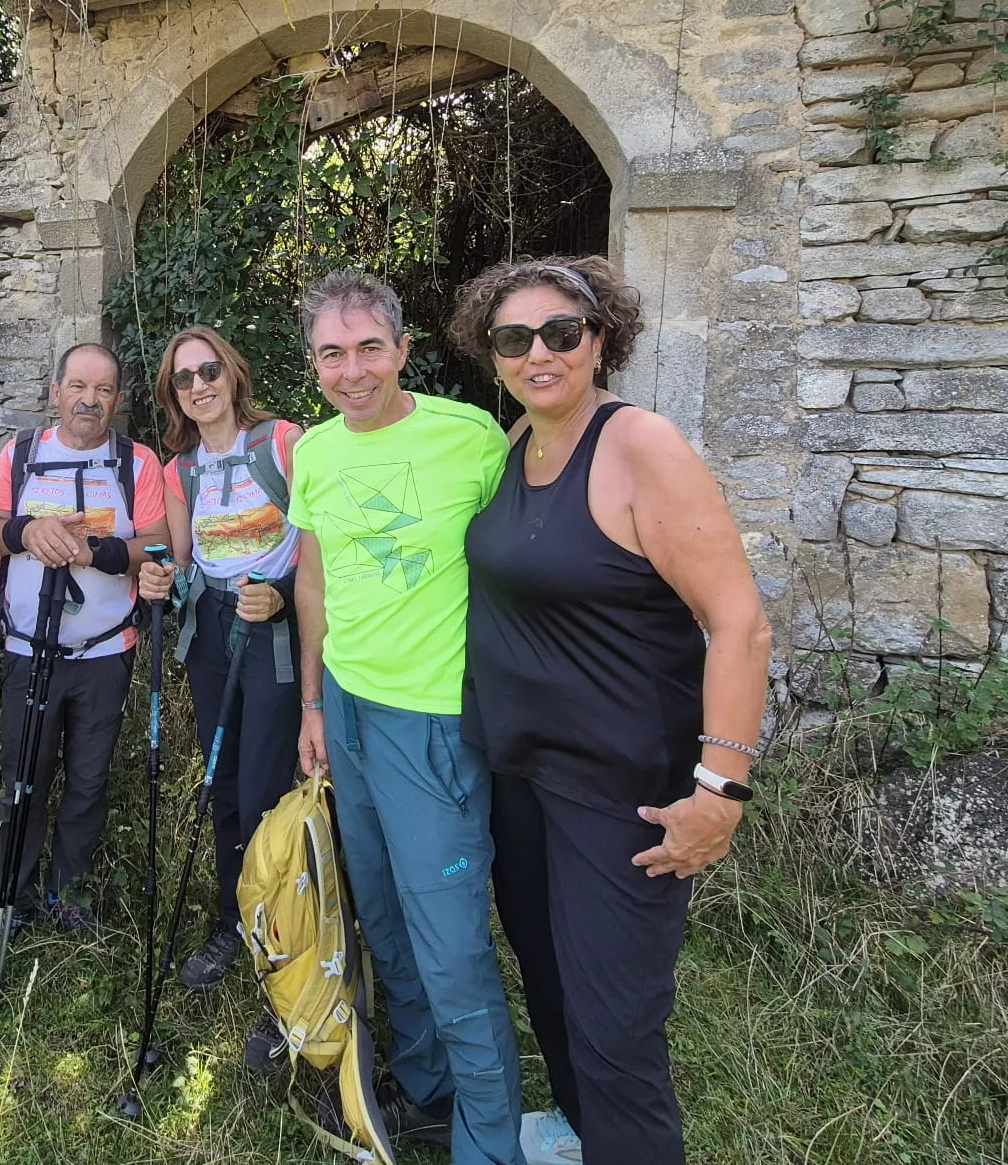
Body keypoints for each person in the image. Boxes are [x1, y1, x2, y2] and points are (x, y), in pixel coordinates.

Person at [449, 256, 771, 1165]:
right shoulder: (518, 442)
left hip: (618, 787)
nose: (539, 352)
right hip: (525, 770)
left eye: (562, 332)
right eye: (515, 338)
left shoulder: (640, 446)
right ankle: (583, 1133)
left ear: (602, 339)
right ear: (494, 352)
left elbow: (739, 623)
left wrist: (721, 790)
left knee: (615, 1019)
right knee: (548, 976)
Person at [287, 270, 523, 1165]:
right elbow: (312, 578)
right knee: (381, 915)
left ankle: (489, 1141)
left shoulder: (469, 438)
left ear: (403, 350)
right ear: (313, 364)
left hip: (431, 720)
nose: (353, 371)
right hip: (345, 707)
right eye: (332, 353)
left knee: (452, 941)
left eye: (369, 348)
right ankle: (426, 1091)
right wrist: (311, 699)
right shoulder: (313, 453)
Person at [0, 342, 170, 960]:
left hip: (107, 651)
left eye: (104, 389)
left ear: (117, 399)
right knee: (22, 775)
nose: (90, 400)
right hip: (30, 649)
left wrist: (100, 553)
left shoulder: (138, 462)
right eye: (78, 386)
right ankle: (11, 900)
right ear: (54, 392)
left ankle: (69, 893)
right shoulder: (22, 453)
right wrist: (26, 532)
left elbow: (159, 542)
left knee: (88, 779)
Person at [134, 326, 303, 1067]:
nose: (199, 385)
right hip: (211, 637)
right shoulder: (181, 470)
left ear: (232, 374)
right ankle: (236, 917)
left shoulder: (285, 442)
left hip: (275, 636)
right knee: (225, 783)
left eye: (208, 371)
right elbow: (176, 551)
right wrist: (158, 579)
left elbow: (324, 542)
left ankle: (283, 930)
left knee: (270, 787)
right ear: (172, 396)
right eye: (183, 379)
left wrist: (288, 596)